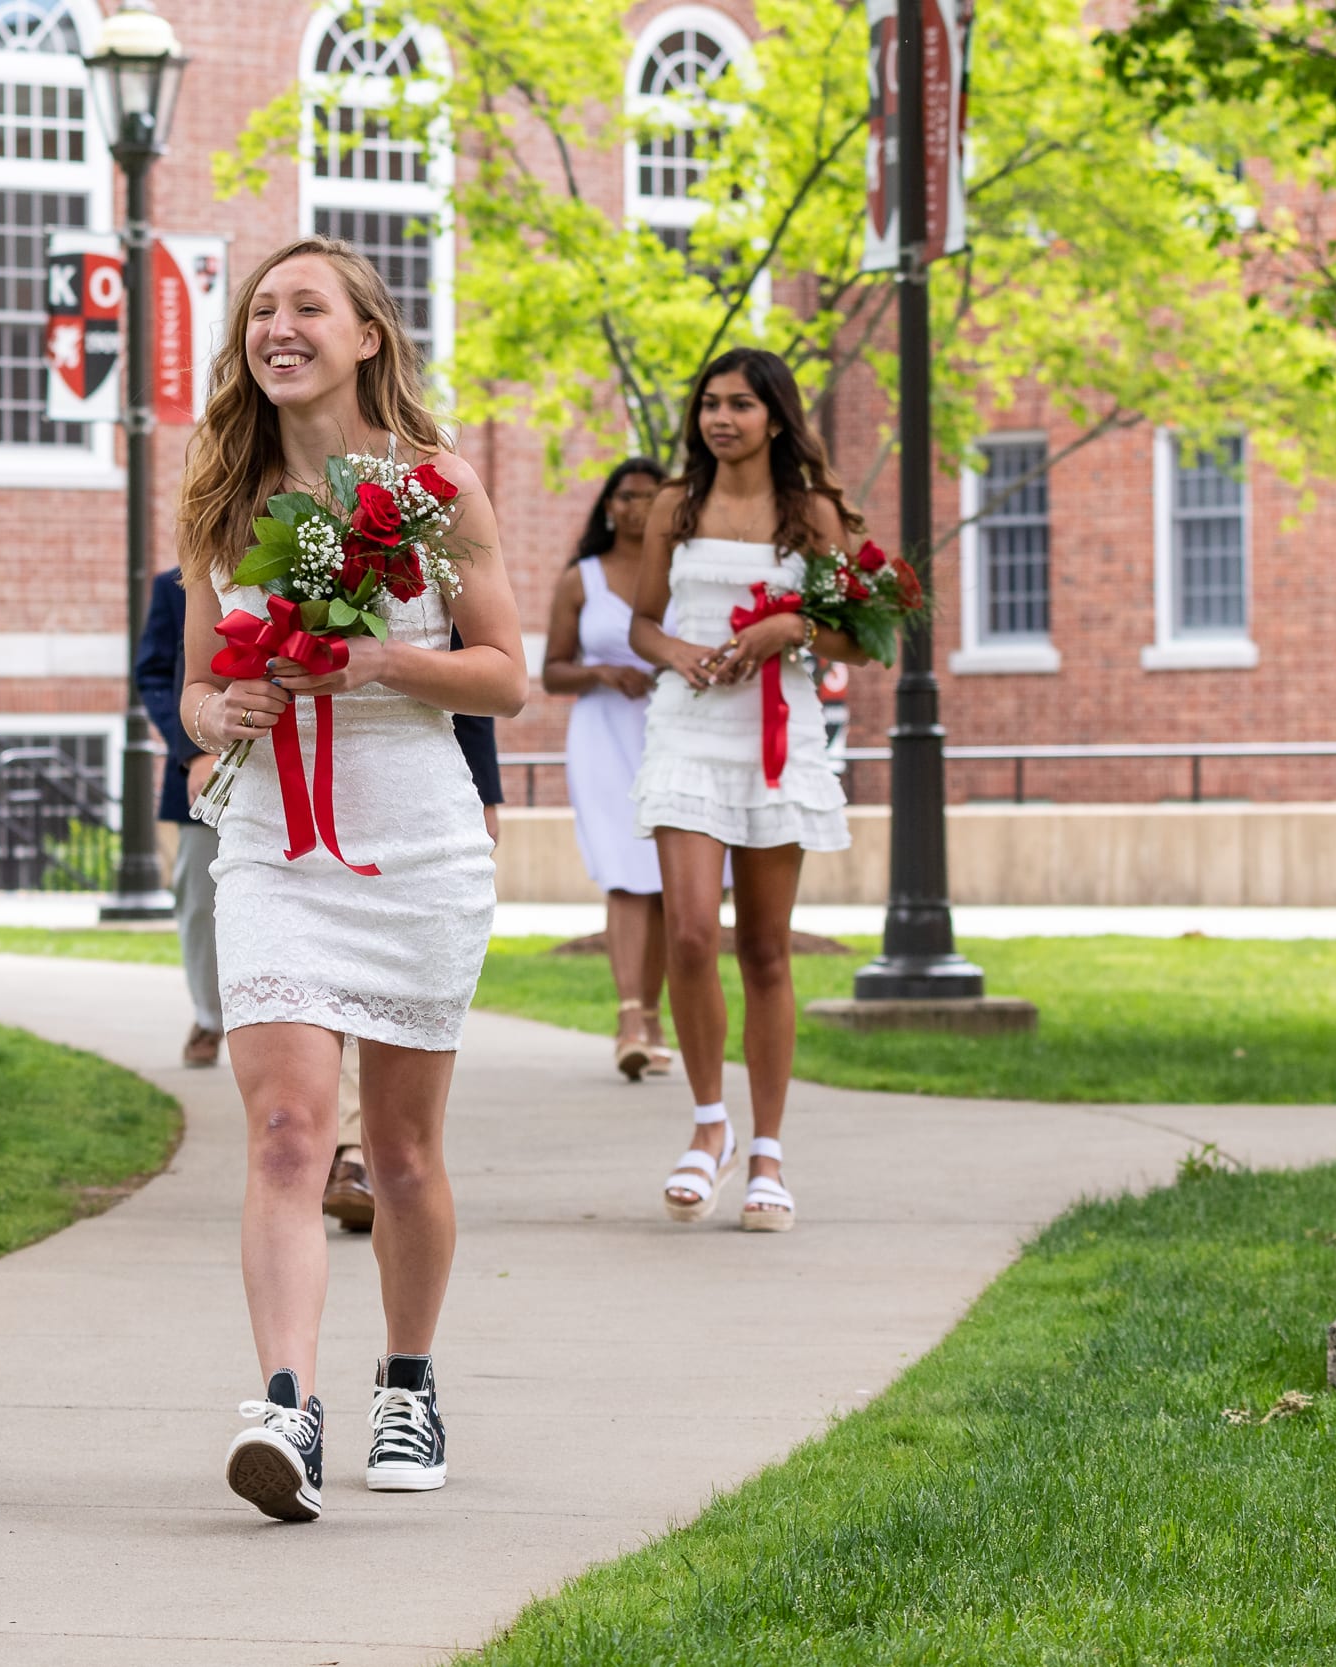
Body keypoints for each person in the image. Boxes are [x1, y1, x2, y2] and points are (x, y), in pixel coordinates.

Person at [176, 236, 524, 1521]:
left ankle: (409, 1381)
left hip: (417, 836)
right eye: (261, 308)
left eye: (305, 306)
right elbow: (196, 686)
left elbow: (503, 670)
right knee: (283, 1130)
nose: (277, 325)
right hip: (271, 838)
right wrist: (220, 715)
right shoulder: (220, 495)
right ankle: (284, 1404)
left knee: (402, 1148)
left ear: (366, 334)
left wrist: (378, 665)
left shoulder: (435, 488)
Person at [628, 348, 870, 1234]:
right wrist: (679, 652)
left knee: (765, 950)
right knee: (690, 933)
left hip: (776, 735)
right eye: (709, 404)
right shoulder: (672, 506)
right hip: (689, 732)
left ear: (776, 414)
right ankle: (708, 1127)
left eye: (738, 404)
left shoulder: (816, 511)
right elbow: (642, 622)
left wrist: (787, 626)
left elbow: (859, 640)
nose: (719, 419)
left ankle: (769, 1149)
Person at [322, 706, 502, 1234]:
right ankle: (350, 1150)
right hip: (280, 811)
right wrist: (198, 743)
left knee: (407, 1144)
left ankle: (368, 1156)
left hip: (413, 809)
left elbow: (477, 656)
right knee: (282, 1122)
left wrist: (485, 788)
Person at [542, 457, 675, 1081]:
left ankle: (652, 1019)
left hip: (673, 735)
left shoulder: (684, 571)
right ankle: (628, 1020)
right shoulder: (581, 580)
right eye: (626, 496)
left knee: (673, 884)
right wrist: (601, 672)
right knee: (626, 875)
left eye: (651, 497)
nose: (636, 507)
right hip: (604, 739)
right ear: (610, 505)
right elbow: (551, 670)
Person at [135, 561, 222, 1066]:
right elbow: (154, 673)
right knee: (198, 901)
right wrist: (195, 748)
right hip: (200, 770)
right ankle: (210, 1017)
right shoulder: (175, 585)